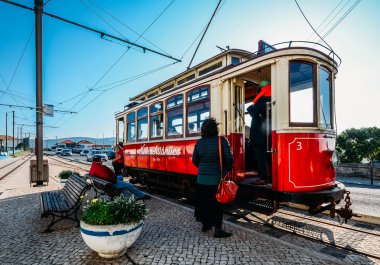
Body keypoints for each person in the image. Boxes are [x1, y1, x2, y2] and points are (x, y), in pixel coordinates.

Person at [192, 118, 234, 238]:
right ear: (216, 129)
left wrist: (202, 169)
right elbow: (230, 159)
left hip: (201, 180)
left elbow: (195, 160)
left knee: (204, 203)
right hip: (216, 179)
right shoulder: (222, 140)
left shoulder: (199, 142)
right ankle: (218, 230)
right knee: (217, 205)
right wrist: (225, 170)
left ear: (203, 129)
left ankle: (206, 225)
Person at [247, 79, 272, 184]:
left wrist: (251, 106)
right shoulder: (273, 99)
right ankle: (270, 177)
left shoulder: (262, 100)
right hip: (268, 133)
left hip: (258, 134)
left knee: (260, 157)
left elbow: (252, 111)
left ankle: (263, 178)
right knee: (268, 157)